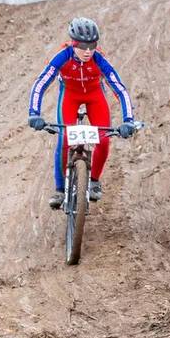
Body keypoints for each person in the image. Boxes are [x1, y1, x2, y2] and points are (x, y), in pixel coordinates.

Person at [26, 17, 138, 209]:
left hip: (95, 96)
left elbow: (119, 88)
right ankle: (60, 190)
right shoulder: (63, 56)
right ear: (73, 43)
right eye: (83, 46)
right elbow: (41, 83)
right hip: (69, 96)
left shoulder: (99, 59)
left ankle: (93, 180)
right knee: (64, 140)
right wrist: (34, 113)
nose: (88, 51)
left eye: (92, 45)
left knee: (103, 140)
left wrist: (128, 120)